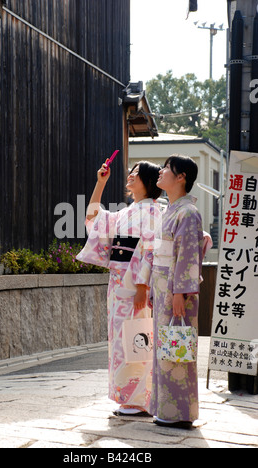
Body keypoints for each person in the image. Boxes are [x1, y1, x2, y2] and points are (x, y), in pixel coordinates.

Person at [77, 159, 163, 415]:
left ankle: (140, 398)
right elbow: (93, 218)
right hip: (118, 284)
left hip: (137, 285)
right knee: (120, 341)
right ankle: (129, 397)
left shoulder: (156, 212)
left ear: (149, 181)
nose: (130, 175)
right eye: (131, 171)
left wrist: (143, 287)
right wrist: (100, 183)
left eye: (136, 173)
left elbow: (151, 252)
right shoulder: (128, 212)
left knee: (139, 337)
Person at [127, 154, 207, 428]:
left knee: (178, 349)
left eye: (166, 169)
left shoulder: (188, 212)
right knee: (166, 349)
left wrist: (179, 293)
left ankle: (180, 412)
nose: (160, 172)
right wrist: (151, 287)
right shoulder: (171, 210)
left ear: (181, 177)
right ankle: (167, 409)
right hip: (163, 288)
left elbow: (187, 256)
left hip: (176, 292)